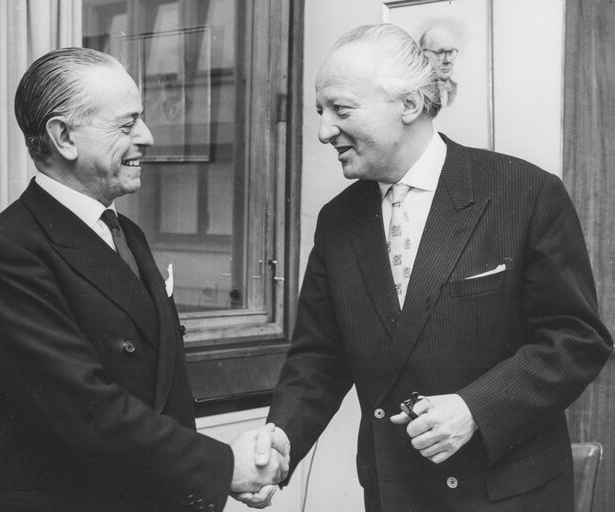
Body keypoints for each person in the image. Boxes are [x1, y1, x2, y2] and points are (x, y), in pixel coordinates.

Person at [242, 24, 613, 511]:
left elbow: (576, 338)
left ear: (410, 105)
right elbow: (318, 359)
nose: (324, 130)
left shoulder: (523, 192)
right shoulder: (338, 221)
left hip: (506, 494)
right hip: (395, 492)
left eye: (341, 109)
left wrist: (475, 409)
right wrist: (281, 442)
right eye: (320, 112)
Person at [0, 47, 288, 512]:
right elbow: (83, 407)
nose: (148, 136)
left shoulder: (124, 232)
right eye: (126, 123)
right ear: (63, 137)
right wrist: (221, 467)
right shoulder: (5, 252)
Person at [420, 25, 459, 107]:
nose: (447, 60)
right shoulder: (416, 92)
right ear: (424, 55)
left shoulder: (459, 90)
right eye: (440, 53)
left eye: (451, 52)